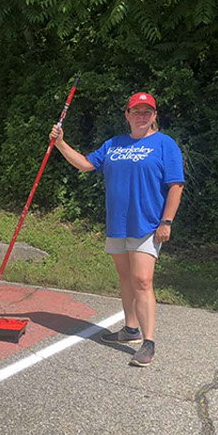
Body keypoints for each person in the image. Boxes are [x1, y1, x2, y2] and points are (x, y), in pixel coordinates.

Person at [52, 92, 185, 368]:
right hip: (118, 224)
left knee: (142, 281)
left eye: (147, 111)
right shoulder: (114, 144)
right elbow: (87, 165)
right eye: (136, 111)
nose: (142, 115)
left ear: (155, 116)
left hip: (147, 223)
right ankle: (130, 330)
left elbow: (176, 185)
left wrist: (167, 221)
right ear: (127, 114)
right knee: (125, 278)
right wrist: (61, 144)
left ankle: (148, 343)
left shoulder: (165, 145)